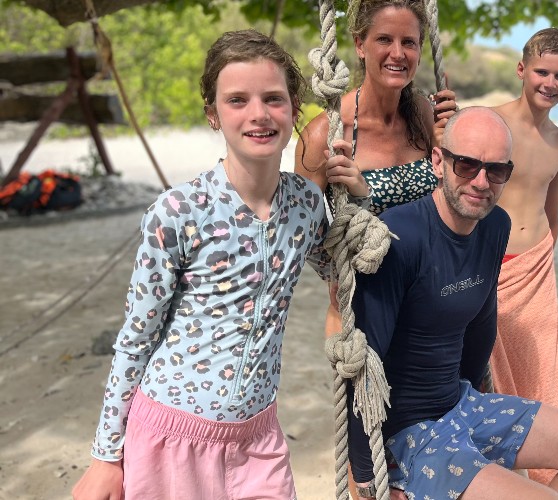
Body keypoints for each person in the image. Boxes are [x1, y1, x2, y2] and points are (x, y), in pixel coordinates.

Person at [70, 29, 361, 499]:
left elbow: (341, 273)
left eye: (273, 98)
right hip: (171, 435)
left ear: (293, 111)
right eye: (237, 100)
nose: (259, 114)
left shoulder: (306, 203)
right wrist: (106, 457)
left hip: (258, 437)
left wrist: (357, 202)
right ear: (212, 115)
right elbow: (136, 338)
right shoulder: (178, 212)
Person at [344, 106, 558, 500]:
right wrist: (368, 478)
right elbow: (363, 363)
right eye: (467, 165)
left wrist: (478, 402)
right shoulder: (400, 238)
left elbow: (481, 323)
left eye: (496, 170)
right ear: (439, 162)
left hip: (462, 403)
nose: (481, 181)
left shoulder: (495, 226)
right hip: (408, 435)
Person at [295, 0, 458, 338]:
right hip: (364, 315)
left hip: (430, 303)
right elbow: (301, 235)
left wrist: (454, 147)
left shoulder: (424, 116)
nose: (397, 53)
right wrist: (341, 276)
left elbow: (446, 208)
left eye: (408, 42)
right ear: (360, 45)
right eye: (384, 39)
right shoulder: (325, 134)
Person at [489, 28, 558, 483]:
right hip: (490, 269)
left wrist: (543, 260)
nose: (550, 82)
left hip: (537, 269)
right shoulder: (490, 123)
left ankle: (549, 475)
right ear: (522, 70)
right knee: (493, 376)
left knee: (546, 372)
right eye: (542, 71)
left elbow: (552, 210)